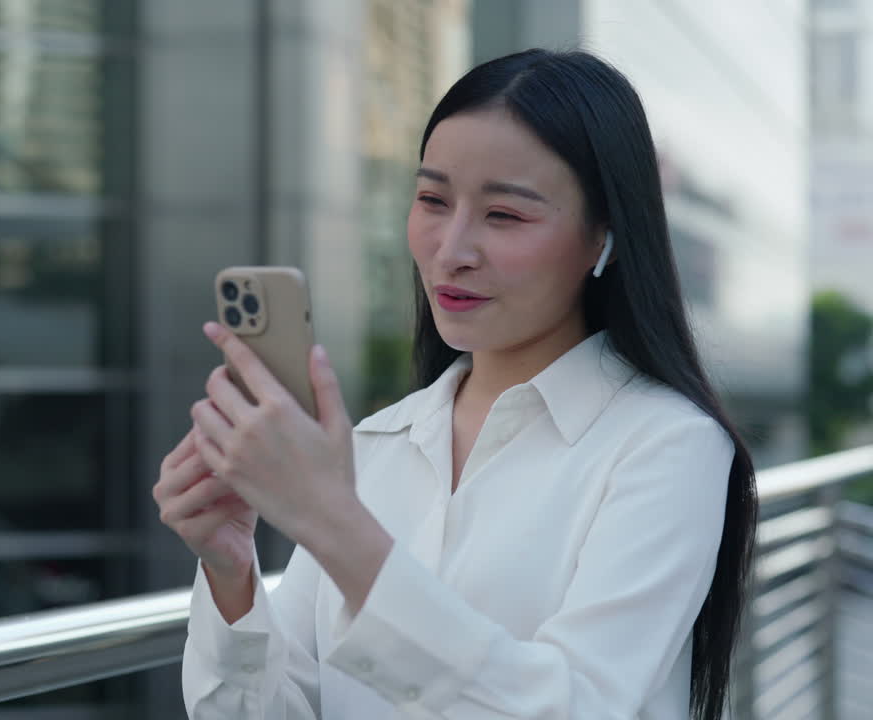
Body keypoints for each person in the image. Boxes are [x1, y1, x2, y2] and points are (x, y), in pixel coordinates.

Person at [152, 48, 758, 720]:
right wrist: (231, 572)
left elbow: (576, 707)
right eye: (433, 200)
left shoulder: (669, 446)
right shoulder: (376, 444)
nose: (451, 249)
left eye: (505, 215)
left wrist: (330, 521)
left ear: (604, 239)